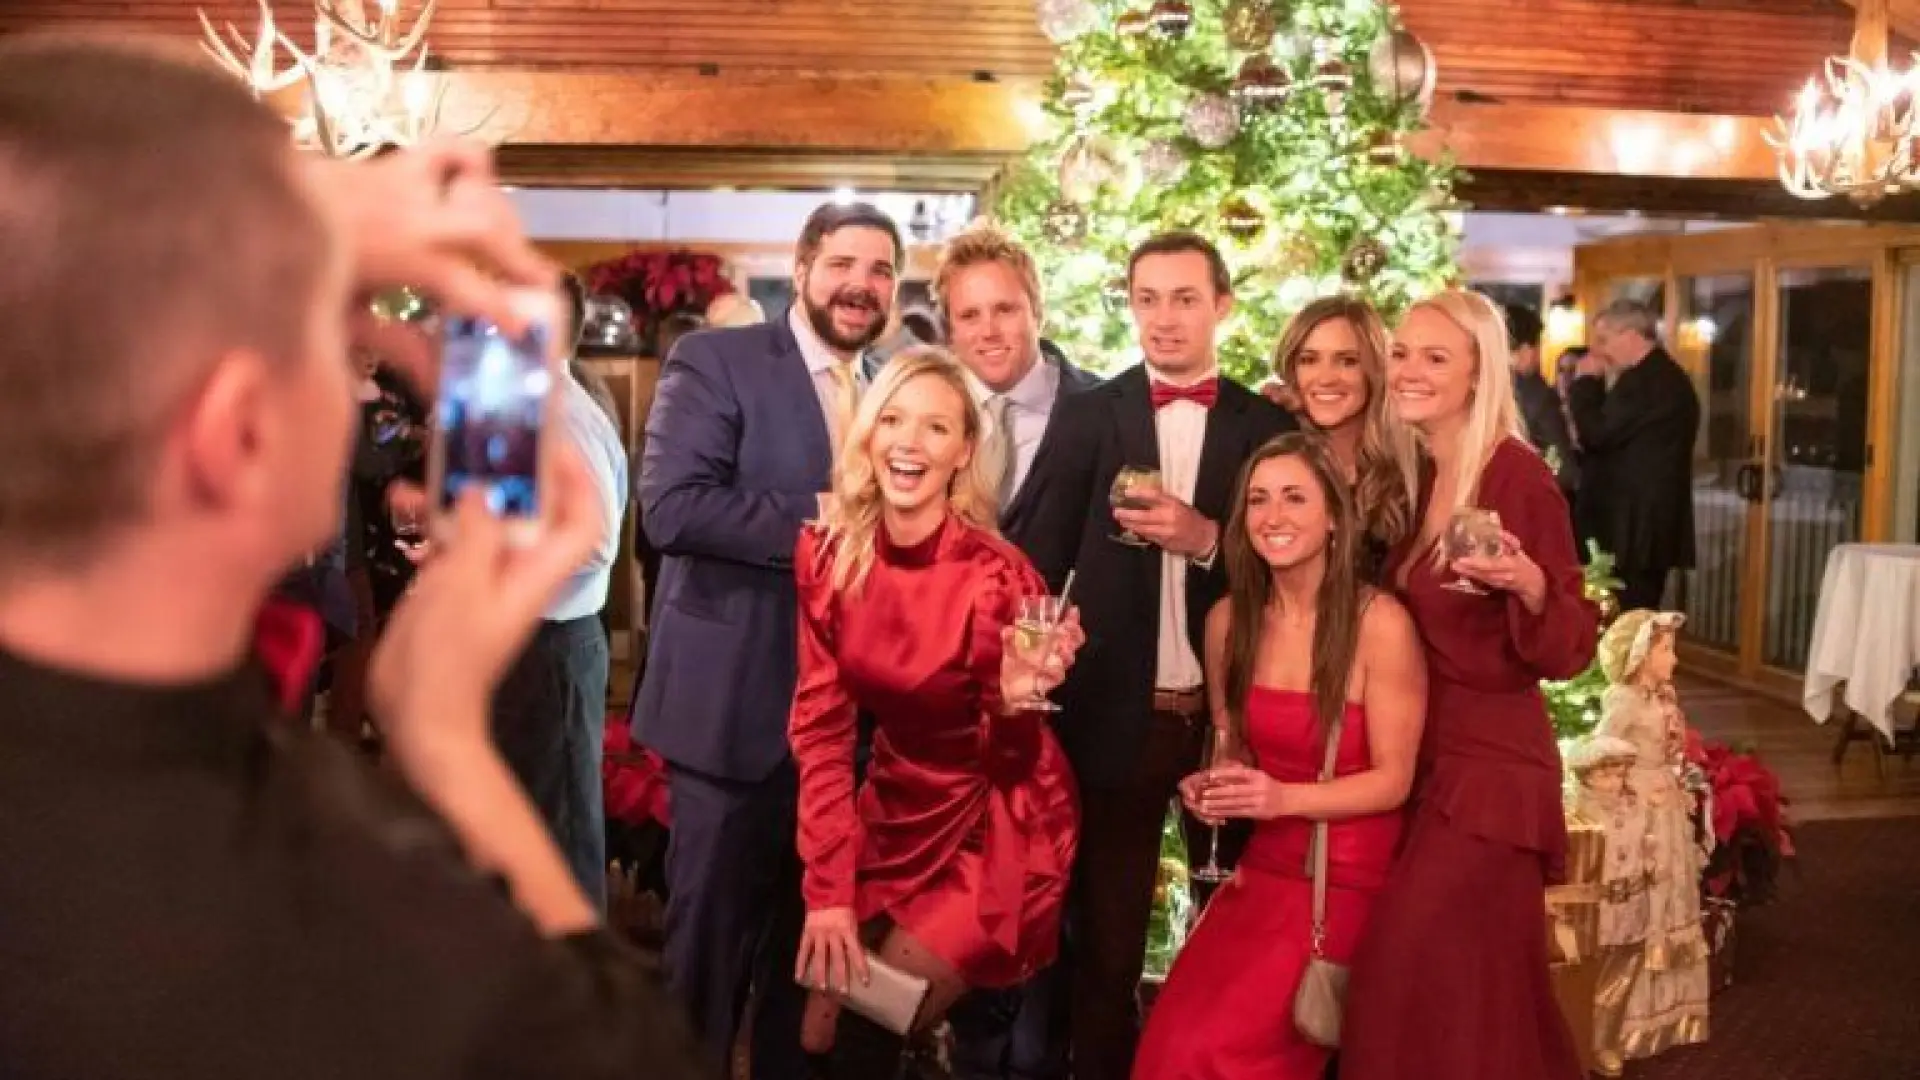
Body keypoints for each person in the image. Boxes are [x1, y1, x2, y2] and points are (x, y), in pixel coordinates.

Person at [0, 32, 705, 1079]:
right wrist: (444, 739)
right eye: (335, 354)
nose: (371, 386)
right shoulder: (379, 939)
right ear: (239, 432)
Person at [635, 200, 902, 1078]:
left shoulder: (897, 388)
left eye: (881, 272)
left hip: (848, 731)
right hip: (731, 715)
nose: (861, 286)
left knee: (807, 965)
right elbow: (672, 508)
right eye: (844, 265)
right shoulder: (719, 360)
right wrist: (823, 516)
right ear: (802, 268)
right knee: (704, 963)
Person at [1019, 232, 1294, 1080]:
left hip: (1231, 724)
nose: (1164, 319)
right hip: (1115, 722)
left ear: (1223, 304)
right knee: (1105, 943)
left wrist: (1208, 537)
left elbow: (1304, 572)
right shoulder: (1090, 414)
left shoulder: (1267, 425)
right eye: (1147, 298)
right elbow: (1037, 558)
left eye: (1184, 298)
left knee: (1238, 931)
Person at [788, 348, 1084, 1076]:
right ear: (867, 433)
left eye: (934, 427)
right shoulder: (829, 556)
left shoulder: (999, 578)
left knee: (867, 1029)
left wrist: (1016, 707)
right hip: (896, 803)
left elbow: (1013, 757)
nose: (907, 444)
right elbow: (822, 734)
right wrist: (827, 894)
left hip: (1000, 820)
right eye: (891, 419)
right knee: (817, 1037)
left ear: (965, 450)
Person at [1340, 289, 1599, 1080]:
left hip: (1490, 775)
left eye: (1435, 356)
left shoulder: (1515, 477)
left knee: (1409, 974)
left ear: (1479, 372)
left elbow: (1571, 645)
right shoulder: (1415, 470)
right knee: (1472, 994)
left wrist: (1527, 584)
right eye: (1404, 352)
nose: (1410, 369)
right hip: (1418, 765)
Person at [1133, 433, 1426, 1080]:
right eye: (1258, 500)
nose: (1274, 515)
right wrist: (1217, 784)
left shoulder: (1381, 624)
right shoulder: (1228, 623)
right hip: (1264, 867)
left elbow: (1395, 781)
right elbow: (1233, 747)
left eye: (1295, 497)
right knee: (1168, 1043)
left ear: (1332, 517)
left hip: (1348, 881)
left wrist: (1283, 798)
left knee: (1219, 1053)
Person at [917, 223, 1098, 1080]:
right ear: (947, 328)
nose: (989, 330)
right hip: (958, 727)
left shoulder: (1106, 412)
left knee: (1054, 926)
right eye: (969, 316)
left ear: (1037, 308)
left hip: (1075, 721)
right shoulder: (926, 423)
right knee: (967, 921)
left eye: (1005, 310)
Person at [490, 271, 630, 905]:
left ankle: (581, 991)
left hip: (556, 647)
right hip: (532, 643)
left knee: (563, 838)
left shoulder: (565, 415)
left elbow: (595, 541)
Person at [1269, 296, 1418, 583]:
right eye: (1309, 360)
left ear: (1374, 371)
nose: (1325, 378)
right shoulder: (1276, 456)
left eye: (1347, 361)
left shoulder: (1412, 469)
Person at [1568, 300, 1700, 610]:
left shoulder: (1650, 382)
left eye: (1604, 340)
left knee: (1626, 621)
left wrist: (1584, 383)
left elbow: (1597, 434)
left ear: (1630, 335)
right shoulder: (1655, 377)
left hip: (1636, 531)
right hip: (1636, 527)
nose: (1598, 352)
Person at [1505, 304, 1581, 509]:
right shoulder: (1537, 395)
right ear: (1527, 350)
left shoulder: (1472, 386)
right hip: (1525, 506)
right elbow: (1562, 467)